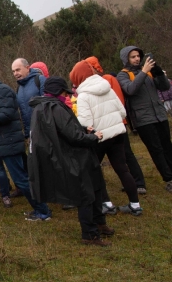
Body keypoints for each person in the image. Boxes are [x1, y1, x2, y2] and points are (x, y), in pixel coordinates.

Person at [28, 77, 113, 246]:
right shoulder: (56, 108)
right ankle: (90, 234)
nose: (67, 96)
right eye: (66, 93)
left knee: (96, 187)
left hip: (66, 155)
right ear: (60, 92)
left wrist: (81, 129)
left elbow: (61, 131)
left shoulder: (40, 108)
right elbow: (73, 136)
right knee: (87, 194)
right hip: (73, 157)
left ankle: (100, 223)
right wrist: (93, 137)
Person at [0, 68, 52, 220]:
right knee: (23, 177)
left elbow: (6, 115)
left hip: (9, 142)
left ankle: (43, 211)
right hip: (2, 142)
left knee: (21, 179)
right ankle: (40, 208)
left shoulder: (2, 91)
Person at [71, 61, 142, 216]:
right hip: (118, 134)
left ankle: (107, 204)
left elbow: (85, 122)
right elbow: (123, 112)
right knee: (122, 169)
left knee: (94, 170)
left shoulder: (83, 96)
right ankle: (135, 205)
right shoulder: (107, 88)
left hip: (99, 137)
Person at [84, 56, 146, 194]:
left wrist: (117, 118)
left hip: (116, 123)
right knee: (120, 156)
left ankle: (139, 182)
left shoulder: (107, 79)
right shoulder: (96, 83)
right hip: (108, 124)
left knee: (126, 154)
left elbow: (117, 100)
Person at [117, 46, 172, 192]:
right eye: (132, 57)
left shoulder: (148, 72)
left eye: (138, 56)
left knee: (168, 146)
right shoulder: (123, 75)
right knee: (156, 150)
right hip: (143, 119)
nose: (136, 59)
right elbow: (130, 90)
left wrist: (159, 73)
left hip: (159, 115)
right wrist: (143, 72)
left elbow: (165, 87)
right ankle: (169, 179)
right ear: (126, 59)